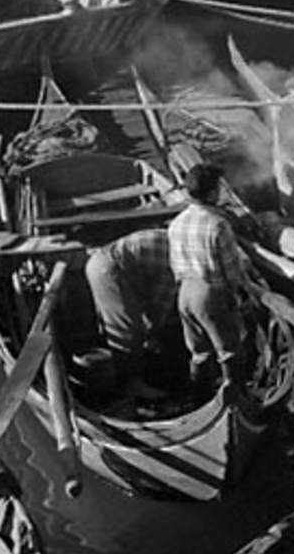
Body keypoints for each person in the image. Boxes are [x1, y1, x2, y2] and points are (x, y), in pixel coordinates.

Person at [167, 163, 259, 405]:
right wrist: (242, 295)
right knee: (229, 350)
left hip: (184, 293)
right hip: (209, 293)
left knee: (199, 352)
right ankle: (236, 400)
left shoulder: (176, 223)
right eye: (218, 188)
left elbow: (174, 264)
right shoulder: (217, 224)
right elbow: (232, 272)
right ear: (211, 193)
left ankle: (200, 399)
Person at [84, 228, 177, 400]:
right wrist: (153, 335)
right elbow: (159, 305)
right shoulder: (176, 259)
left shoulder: (176, 239)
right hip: (108, 269)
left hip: (102, 262)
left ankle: (122, 377)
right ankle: (132, 386)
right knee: (126, 330)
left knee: (120, 324)